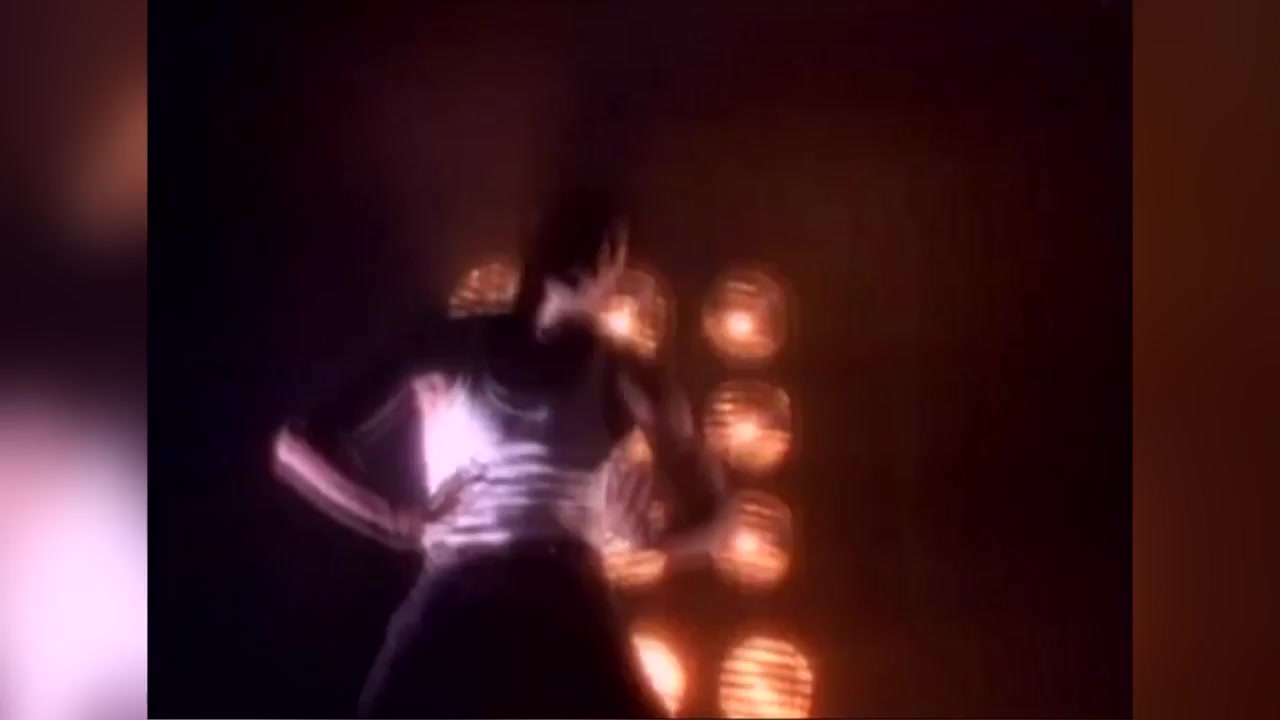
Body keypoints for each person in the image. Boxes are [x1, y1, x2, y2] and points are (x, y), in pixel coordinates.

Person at [271, 190, 736, 718]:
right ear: (535, 238)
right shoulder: (446, 346)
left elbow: (722, 520)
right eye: (576, 233)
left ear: (618, 274)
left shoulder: (627, 377)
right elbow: (297, 446)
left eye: (609, 244)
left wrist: (658, 541)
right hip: (457, 589)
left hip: (565, 595)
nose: (590, 253)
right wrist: (395, 520)